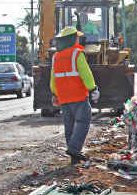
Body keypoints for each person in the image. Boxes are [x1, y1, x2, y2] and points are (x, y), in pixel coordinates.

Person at [50, 27, 100, 165]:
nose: (78, 39)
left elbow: (53, 78)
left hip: (64, 98)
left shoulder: (56, 57)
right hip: (78, 96)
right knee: (83, 121)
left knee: (69, 125)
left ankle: (74, 157)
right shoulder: (77, 54)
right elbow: (86, 73)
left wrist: (54, 93)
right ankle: (74, 149)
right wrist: (93, 88)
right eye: (76, 37)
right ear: (72, 39)